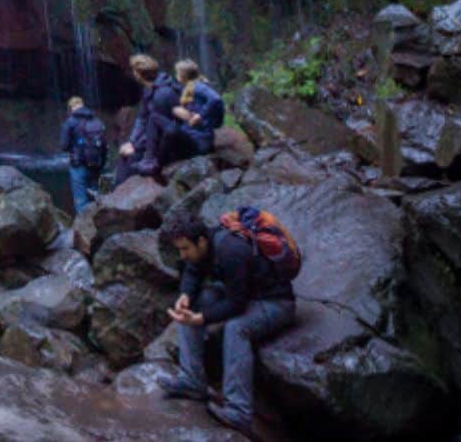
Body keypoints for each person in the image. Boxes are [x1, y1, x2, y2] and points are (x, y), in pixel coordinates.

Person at [161, 211, 297, 434]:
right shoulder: (206, 245)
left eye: (185, 248)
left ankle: (240, 411)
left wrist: (201, 318)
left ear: (201, 241)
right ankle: (192, 380)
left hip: (276, 302)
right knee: (193, 303)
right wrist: (185, 295)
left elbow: (237, 305)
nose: (182, 254)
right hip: (247, 293)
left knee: (236, 328)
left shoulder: (231, 251)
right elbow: (193, 271)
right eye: (179, 249)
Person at [114, 54, 178, 184]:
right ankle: (115, 194)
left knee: (128, 159)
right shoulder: (148, 90)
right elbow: (142, 119)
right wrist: (131, 142)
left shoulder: (163, 94)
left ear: (139, 73)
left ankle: (117, 196)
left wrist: (136, 147)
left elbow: (158, 129)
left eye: (134, 70)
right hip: (155, 139)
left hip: (168, 143)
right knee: (126, 155)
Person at [60, 96, 108, 210]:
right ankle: (99, 223)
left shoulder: (70, 122)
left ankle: (84, 226)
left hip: (78, 165)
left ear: (71, 108)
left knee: (81, 201)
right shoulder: (96, 120)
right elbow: (104, 145)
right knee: (96, 197)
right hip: (96, 165)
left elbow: (64, 146)